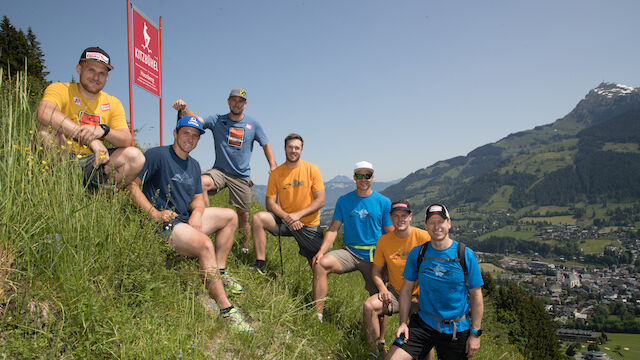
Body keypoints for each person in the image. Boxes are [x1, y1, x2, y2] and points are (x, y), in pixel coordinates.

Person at [127, 116, 253, 332]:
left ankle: (219, 272)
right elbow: (131, 185)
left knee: (230, 216)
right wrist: (154, 213)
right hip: (162, 223)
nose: (191, 139)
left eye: (195, 136)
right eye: (186, 133)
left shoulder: (194, 165)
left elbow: (197, 199)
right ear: (175, 133)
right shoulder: (157, 155)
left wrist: (198, 213)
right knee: (205, 244)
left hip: (185, 219)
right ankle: (226, 310)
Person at [172, 89, 277, 253]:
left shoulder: (253, 124)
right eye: (234, 100)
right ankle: (204, 226)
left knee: (244, 215)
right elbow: (196, 120)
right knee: (201, 182)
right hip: (219, 171)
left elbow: (266, 144)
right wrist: (183, 109)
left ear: (245, 104)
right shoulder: (217, 120)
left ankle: (243, 248)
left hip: (241, 176)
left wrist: (273, 165)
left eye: (241, 101)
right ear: (228, 102)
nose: (237, 103)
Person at [36, 46, 144, 189]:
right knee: (45, 132)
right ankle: (55, 188)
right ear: (79, 69)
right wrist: (91, 140)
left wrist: (104, 131)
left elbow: (126, 138)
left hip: (94, 162)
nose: (96, 77)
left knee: (135, 157)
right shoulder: (60, 88)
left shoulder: (113, 102)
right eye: (91, 70)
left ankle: (100, 200)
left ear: (107, 77)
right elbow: (44, 112)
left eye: (102, 73)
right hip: (63, 155)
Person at [387, 204, 484, 360]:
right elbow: (406, 290)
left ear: (449, 223)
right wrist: (403, 323)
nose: (436, 226)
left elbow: (476, 295)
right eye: (432, 222)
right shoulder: (418, 253)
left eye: (441, 221)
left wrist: (475, 334)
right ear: (426, 226)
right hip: (424, 323)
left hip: (456, 329)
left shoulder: (465, 254)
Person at [312, 161, 394, 323]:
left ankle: (380, 341)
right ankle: (317, 316)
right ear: (354, 178)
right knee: (320, 264)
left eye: (367, 175)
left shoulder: (383, 202)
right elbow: (333, 228)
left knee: (379, 299)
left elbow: (390, 233)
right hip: (350, 252)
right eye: (359, 175)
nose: (363, 179)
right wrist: (321, 252)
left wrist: (390, 263)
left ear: (373, 177)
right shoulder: (344, 200)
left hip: (374, 256)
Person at [363, 201, 434, 360]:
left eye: (403, 215)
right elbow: (375, 273)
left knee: (424, 333)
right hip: (396, 293)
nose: (400, 219)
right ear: (390, 218)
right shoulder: (384, 241)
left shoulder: (424, 237)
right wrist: (382, 288)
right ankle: (375, 353)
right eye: (395, 216)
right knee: (369, 306)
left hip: (422, 296)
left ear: (410, 217)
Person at [249, 133, 325, 274]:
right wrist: (288, 218)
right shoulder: (276, 173)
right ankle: (260, 264)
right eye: (290, 147)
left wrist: (298, 215)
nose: (293, 151)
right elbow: (270, 203)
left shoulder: (312, 169)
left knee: (317, 265)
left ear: (301, 150)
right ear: (284, 148)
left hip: (308, 224)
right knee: (258, 218)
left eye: (297, 148)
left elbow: (320, 200)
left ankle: (319, 295)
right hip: (286, 222)